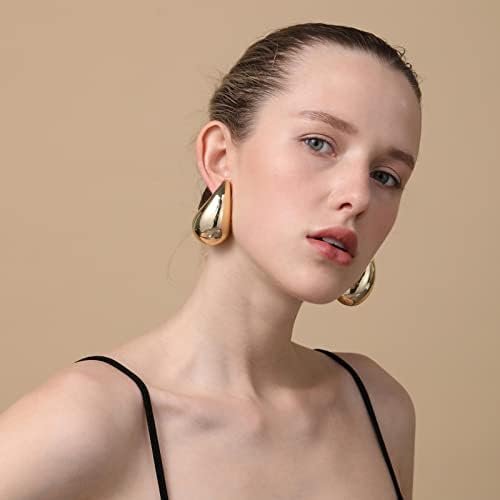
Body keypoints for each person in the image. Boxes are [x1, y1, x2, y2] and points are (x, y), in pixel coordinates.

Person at [0, 22, 421, 500]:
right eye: (318, 143)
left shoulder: (378, 408)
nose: (358, 196)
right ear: (220, 156)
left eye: (386, 176)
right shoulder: (92, 418)